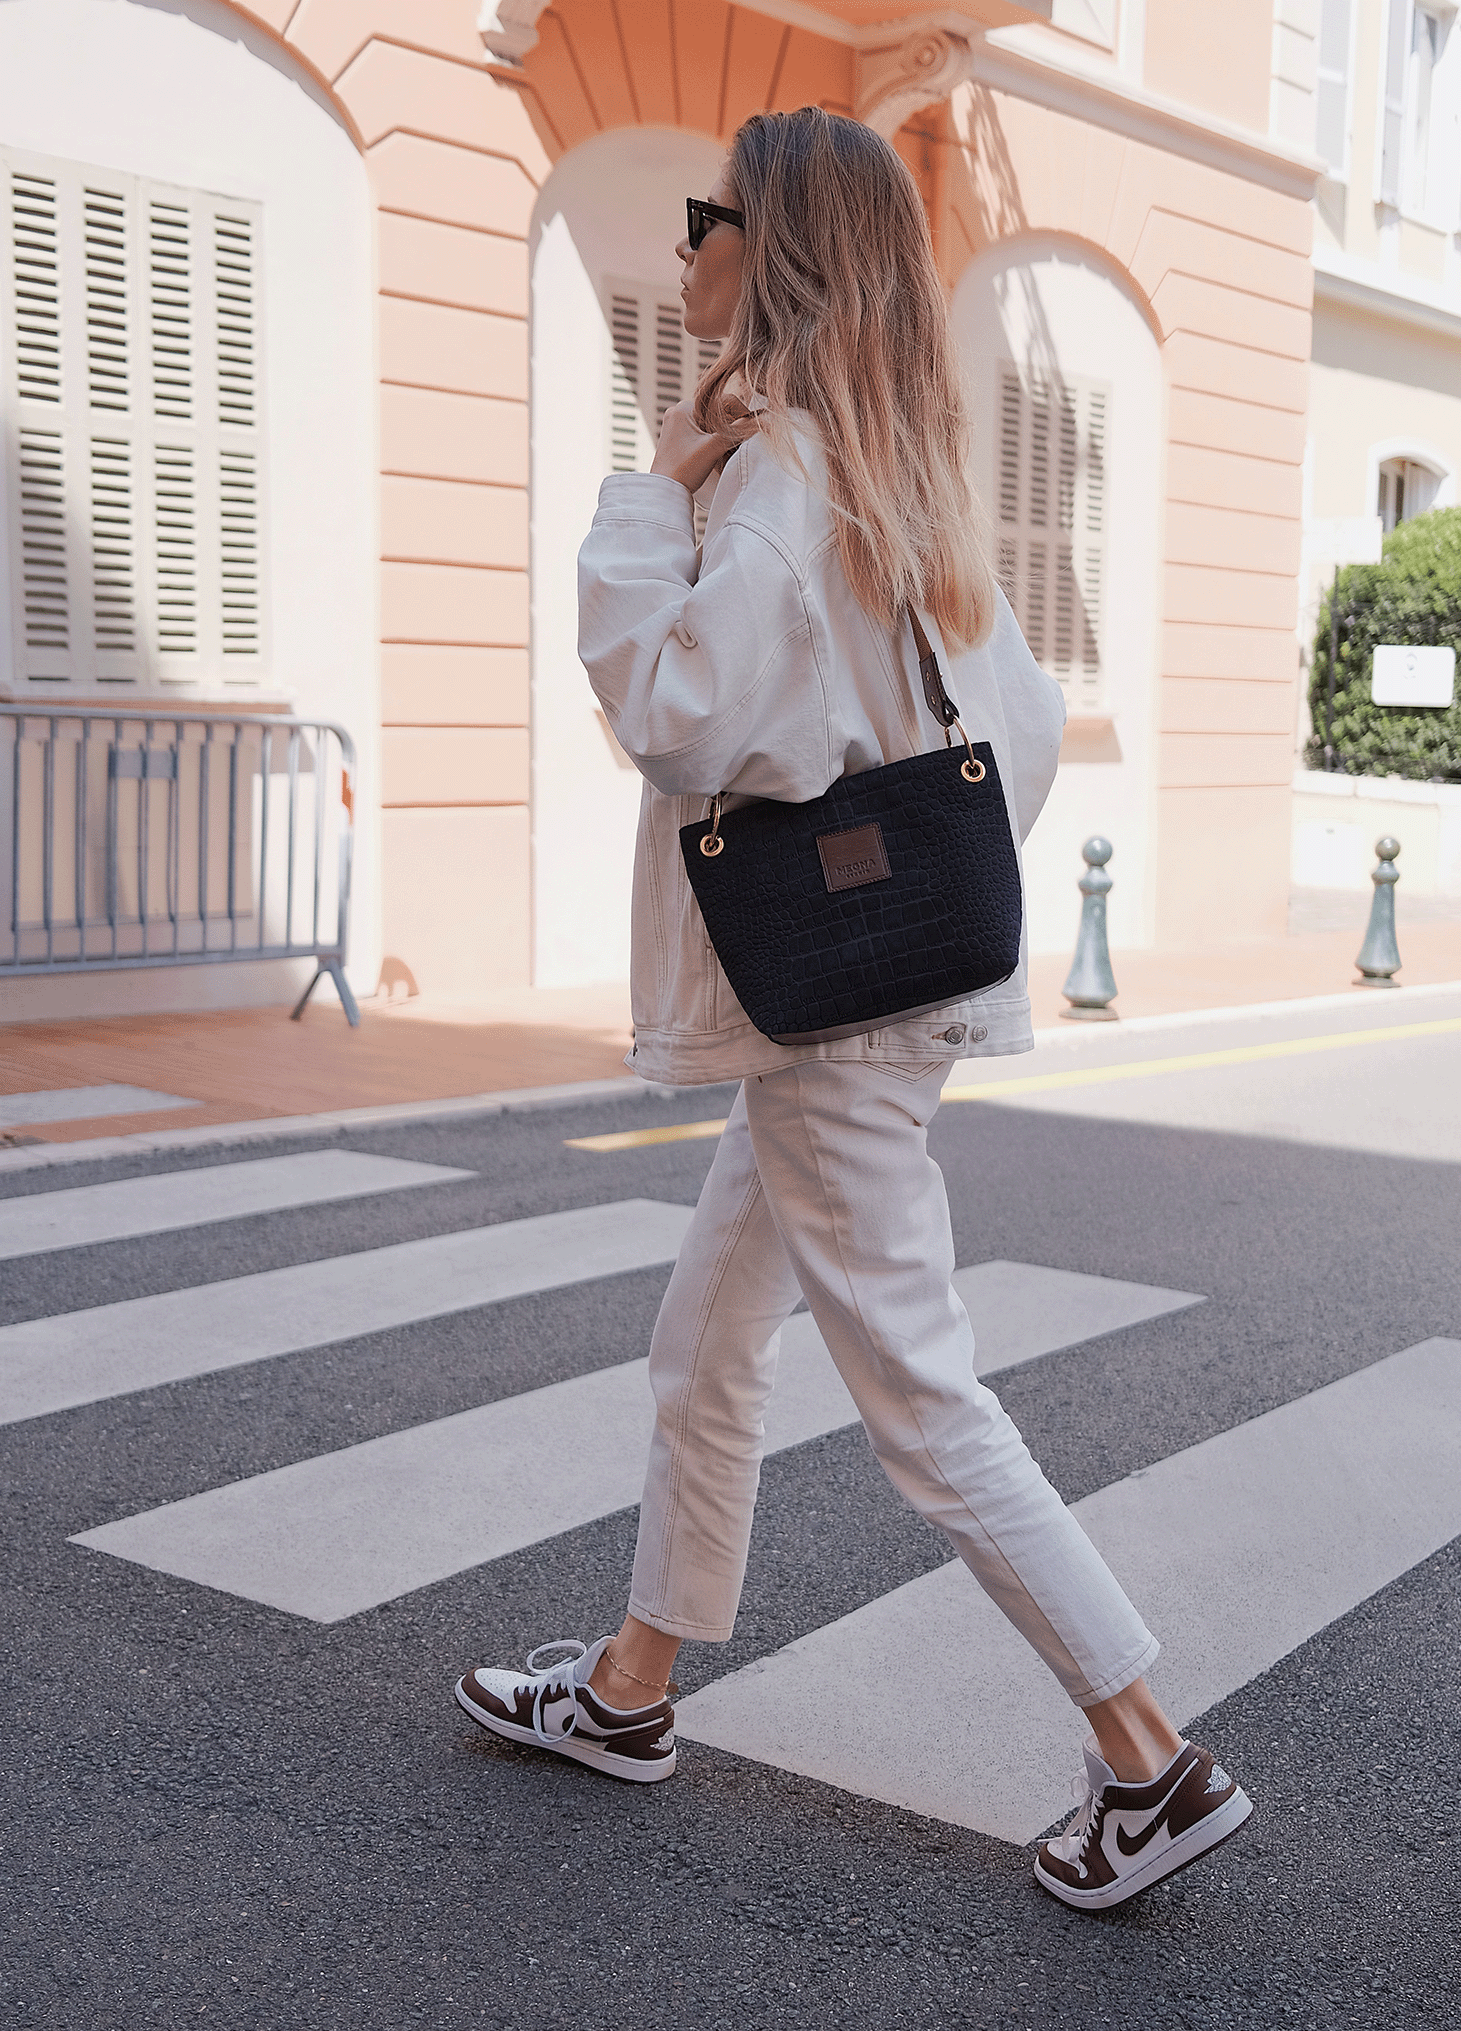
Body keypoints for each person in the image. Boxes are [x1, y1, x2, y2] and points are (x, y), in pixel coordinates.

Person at [455, 107, 1251, 1912]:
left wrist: (651, 483)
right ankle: (632, 1689)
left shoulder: (782, 471)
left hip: (825, 1023)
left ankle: (1149, 1752)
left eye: (705, 216)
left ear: (776, 248)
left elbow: (679, 710)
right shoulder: (897, 467)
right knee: (708, 1340)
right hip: (879, 1003)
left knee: (918, 1389)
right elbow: (1020, 733)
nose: (681, 247)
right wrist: (902, 856)